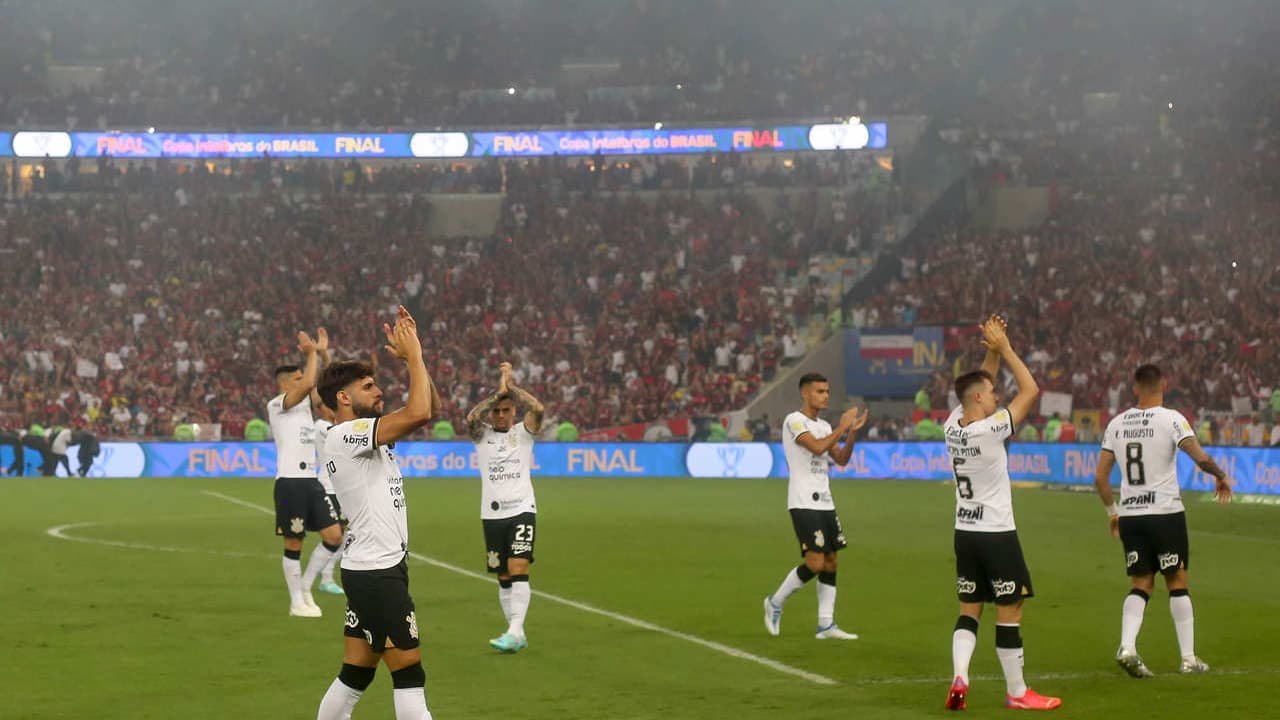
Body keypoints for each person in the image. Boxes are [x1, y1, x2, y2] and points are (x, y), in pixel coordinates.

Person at [315, 305, 440, 720]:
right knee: (408, 673)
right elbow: (420, 413)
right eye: (369, 386)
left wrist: (414, 360)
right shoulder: (347, 435)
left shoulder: (363, 436)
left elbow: (429, 408)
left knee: (356, 672)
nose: (379, 391)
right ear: (344, 398)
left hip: (372, 566)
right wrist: (415, 355)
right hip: (377, 571)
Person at [944, 317, 1061, 711]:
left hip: (965, 532)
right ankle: (1017, 691)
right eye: (992, 394)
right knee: (1010, 611)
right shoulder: (991, 429)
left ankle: (961, 674)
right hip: (997, 533)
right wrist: (1007, 347)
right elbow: (1031, 389)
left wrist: (989, 350)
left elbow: (980, 383)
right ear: (979, 399)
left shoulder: (952, 426)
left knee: (969, 611)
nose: (996, 396)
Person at [1093, 364, 1232, 678]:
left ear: (1135, 387)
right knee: (1176, 581)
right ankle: (1188, 658)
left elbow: (1100, 478)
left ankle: (1127, 646)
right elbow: (1200, 458)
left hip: (1130, 516)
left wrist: (1112, 513)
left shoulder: (1116, 424)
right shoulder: (1172, 419)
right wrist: (1221, 475)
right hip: (1165, 514)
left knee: (1141, 584)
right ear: (1164, 384)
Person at [763, 372, 868, 640]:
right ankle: (775, 602)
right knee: (815, 561)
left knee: (831, 560)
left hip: (825, 501)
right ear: (805, 393)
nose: (825, 396)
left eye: (827, 391)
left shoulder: (823, 425)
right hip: (803, 500)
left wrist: (852, 433)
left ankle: (826, 624)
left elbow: (841, 459)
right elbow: (818, 449)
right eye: (820, 391)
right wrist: (842, 427)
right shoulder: (794, 421)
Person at [466, 361, 546, 654]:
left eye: (506, 410)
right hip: (492, 514)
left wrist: (511, 388)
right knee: (503, 577)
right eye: (497, 411)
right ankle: (516, 631)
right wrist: (495, 392)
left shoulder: (524, 433)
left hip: (522, 509)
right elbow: (471, 417)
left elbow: (538, 409)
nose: (501, 415)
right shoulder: (482, 435)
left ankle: (514, 630)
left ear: (513, 412)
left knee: (518, 567)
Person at [267, 327, 343, 618]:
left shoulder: (305, 408)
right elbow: (311, 380)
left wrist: (322, 353)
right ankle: (296, 600)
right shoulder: (278, 405)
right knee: (294, 542)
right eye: (298, 379)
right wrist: (310, 353)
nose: (305, 383)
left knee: (334, 536)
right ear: (286, 384)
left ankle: (308, 587)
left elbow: (326, 382)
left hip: (311, 482)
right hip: (290, 483)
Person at [311, 392, 346, 596]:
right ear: (320, 408)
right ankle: (325, 578)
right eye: (327, 405)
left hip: (339, 486)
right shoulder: (321, 427)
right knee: (338, 536)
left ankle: (326, 576)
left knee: (348, 536)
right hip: (328, 486)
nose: (331, 408)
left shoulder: (332, 426)